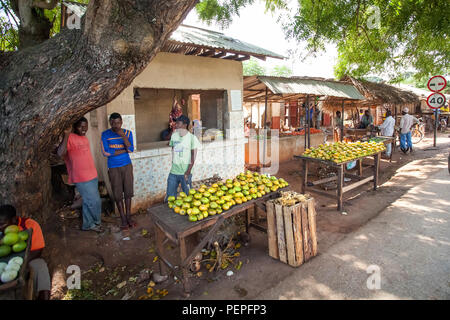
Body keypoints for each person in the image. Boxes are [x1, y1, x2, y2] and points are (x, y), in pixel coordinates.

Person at [58, 117, 102, 232]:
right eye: (80, 126)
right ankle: (95, 222)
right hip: (81, 177)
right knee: (94, 201)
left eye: (85, 126)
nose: (84, 129)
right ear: (74, 127)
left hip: (92, 174)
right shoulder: (70, 138)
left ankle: (88, 224)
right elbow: (60, 153)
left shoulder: (84, 138)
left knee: (89, 201)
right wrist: (67, 134)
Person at [0, 205, 51, 300]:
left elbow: (38, 250)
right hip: (3, 266)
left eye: (2, 224)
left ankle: (43, 296)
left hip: (27, 260)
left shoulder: (30, 225)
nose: (0, 227)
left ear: (14, 220)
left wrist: (21, 265)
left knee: (40, 266)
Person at [101, 113, 136, 230]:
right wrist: (123, 150)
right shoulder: (105, 134)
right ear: (110, 122)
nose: (116, 125)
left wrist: (123, 138)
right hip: (113, 167)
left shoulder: (127, 133)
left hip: (127, 165)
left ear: (122, 122)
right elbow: (105, 152)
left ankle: (128, 216)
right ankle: (123, 219)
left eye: (118, 123)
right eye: (113, 123)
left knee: (128, 192)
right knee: (117, 193)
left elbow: (130, 149)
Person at [166, 115, 201, 200]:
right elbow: (173, 148)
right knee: (170, 196)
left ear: (185, 125)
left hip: (185, 172)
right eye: (176, 123)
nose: (176, 125)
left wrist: (188, 171)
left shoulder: (192, 138)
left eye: (178, 123)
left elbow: (193, 156)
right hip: (174, 171)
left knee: (188, 197)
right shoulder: (174, 136)